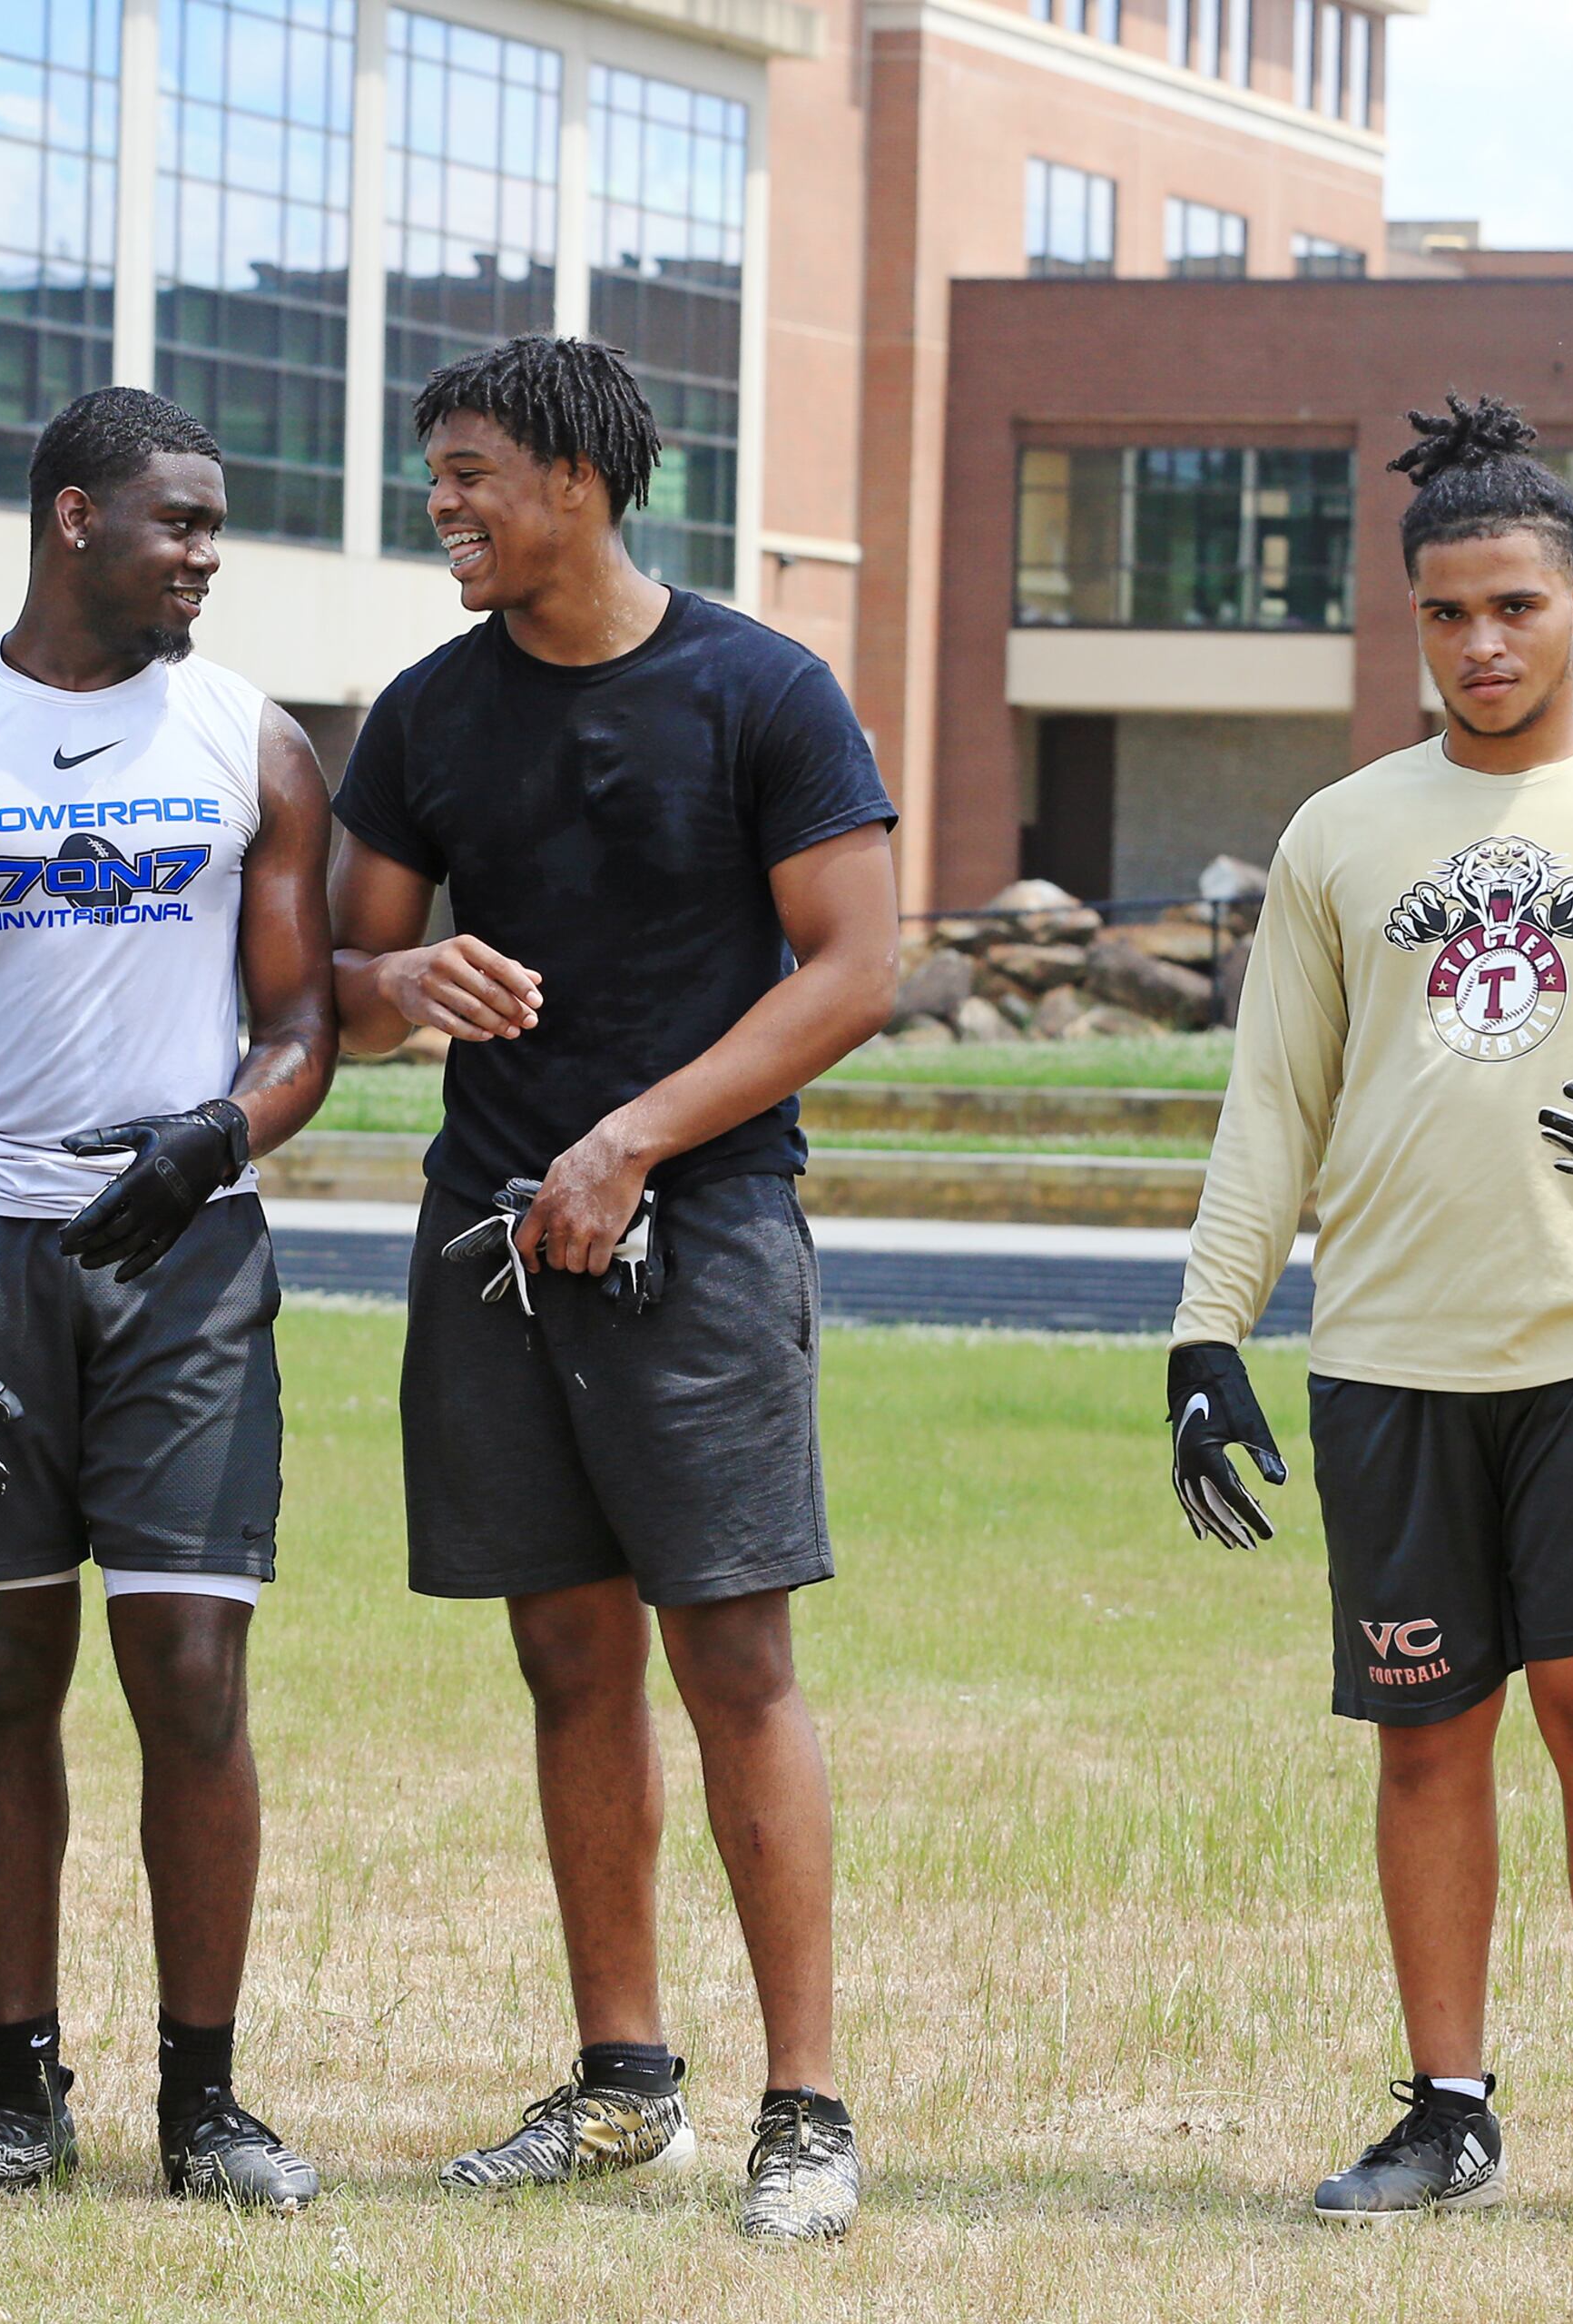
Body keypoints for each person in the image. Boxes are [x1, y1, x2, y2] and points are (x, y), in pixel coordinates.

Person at [1166, 395, 1573, 2246]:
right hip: (1389, 1355)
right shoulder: (1338, 834)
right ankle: (1448, 2107)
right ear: (1414, 620)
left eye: (1516, 606)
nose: (1482, 642)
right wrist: (1209, 1333)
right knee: (1424, 1734)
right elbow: (1273, 1106)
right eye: (1449, 612)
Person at [329, 336, 900, 2243]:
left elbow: (850, 971)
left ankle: (804, 2106)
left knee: (733, 1657)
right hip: (492, 1238)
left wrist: (638, 1133)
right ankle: (621, 2075)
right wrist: (405, 987)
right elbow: (338, 970)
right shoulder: (425, 713)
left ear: (580, 475)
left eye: (475, 472)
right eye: (437, 477)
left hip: (707, 1229)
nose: (448, 507)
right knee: (565, 1655)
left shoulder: (765, 690)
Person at [0, 387, 339, 2211]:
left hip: (184, 1257)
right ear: (71, 519)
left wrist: (219, 1131)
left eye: (214, 527)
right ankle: (15, 2090)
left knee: (189, 1665)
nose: (204, 556)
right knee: (4, 1670)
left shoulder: (252, 743)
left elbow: (301, 1027)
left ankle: (205, 2102)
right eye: (176, 523)